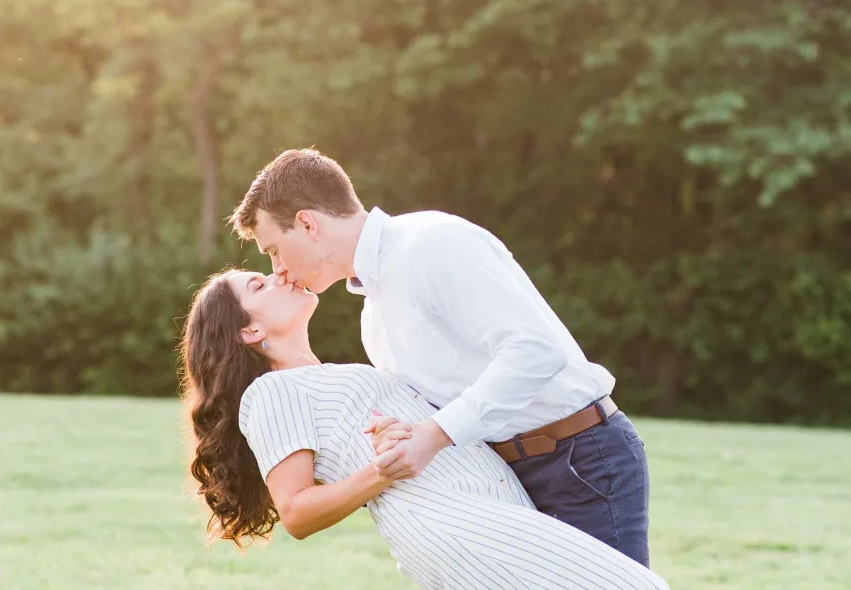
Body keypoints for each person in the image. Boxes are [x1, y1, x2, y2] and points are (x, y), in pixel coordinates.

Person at [229, 148, 652, 567]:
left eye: (274, 251)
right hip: (503, 482)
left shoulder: (431, 244)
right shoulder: (372, 316)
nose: (278, 269)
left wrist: (434, 434)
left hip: (577, 459)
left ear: (307, 224)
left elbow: (535, 351)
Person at [181, 269, 670, 589]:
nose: (278, 275)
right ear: (251, 332)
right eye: (259, 286)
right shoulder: (271, 394)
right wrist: (380, 472)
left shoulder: (327, 375)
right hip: (458, 529)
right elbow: (296, 512)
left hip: (488, 513)